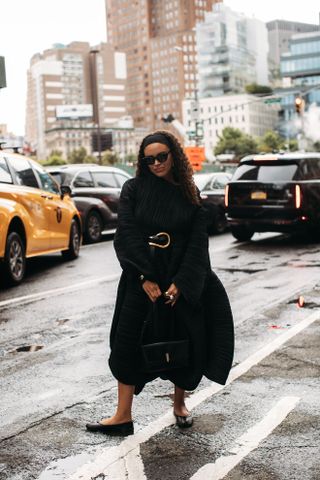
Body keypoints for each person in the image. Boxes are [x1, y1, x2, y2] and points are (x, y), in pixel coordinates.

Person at [86, 131, 234, 436]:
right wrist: (144, 277)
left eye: (162, 157)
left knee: (185, 340)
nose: (156, 163)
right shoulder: (133, 188)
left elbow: (197, 241)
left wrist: (182, 282)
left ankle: (179, 405)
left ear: (174, 156)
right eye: (149, 159)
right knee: (125, 342)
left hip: (181, 277)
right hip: (142, 278)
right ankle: (122, 416)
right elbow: (125, 233)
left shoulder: (189, 192)